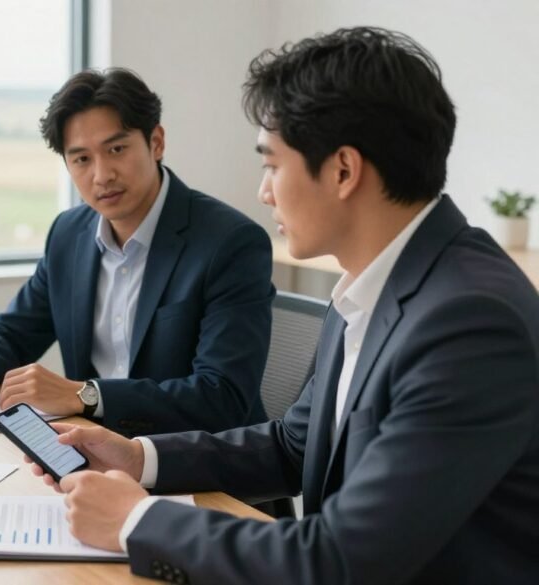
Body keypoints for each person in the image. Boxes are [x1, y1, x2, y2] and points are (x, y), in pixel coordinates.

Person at [28, 27, 539, 584]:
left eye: (272, 165)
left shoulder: (469, 323)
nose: (263, 192)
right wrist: (139, 459)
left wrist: (135, 520)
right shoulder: (370, 288)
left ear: (343, 170)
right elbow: (291, 446)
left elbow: (342, 560)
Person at [0, 69, 275, 436]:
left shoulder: (230, 243)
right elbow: (16, 330)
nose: (101, 175)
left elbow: (221, 397)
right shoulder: (68, 234)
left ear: (156, 142)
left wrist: (86, 396)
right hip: (95, 454)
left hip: (197, 467)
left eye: (116, 149)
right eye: (81, 159)